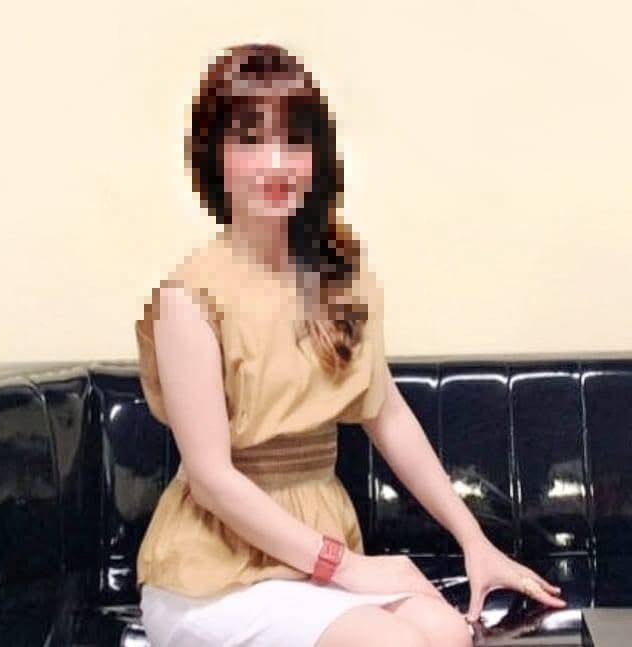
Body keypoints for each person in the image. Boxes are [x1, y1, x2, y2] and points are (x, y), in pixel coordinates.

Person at [134, 43, 565, 647]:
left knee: (446, 632)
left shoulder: (336, 278)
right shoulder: (188, 299)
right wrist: (348, 567)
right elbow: (210, 479)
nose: (276, 164)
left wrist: (475, 541)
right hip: (214, 573)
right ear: (214, 158)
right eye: (251, 141)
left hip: (314, 560)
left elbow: (387, 414)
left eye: (294, 141)